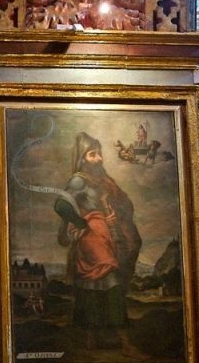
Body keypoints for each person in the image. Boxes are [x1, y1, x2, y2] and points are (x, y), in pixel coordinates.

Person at [54, 132, 143, 351]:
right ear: (83, 158)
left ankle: (108, 340)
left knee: (106, 286)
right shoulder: (78, 180)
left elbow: (120, 205)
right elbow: (61, 205)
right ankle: (104, 341)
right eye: (93, 154)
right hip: (91, 242)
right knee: (100, 285)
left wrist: (114, 217)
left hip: (106, 238)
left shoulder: (104, 181)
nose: (99, 158)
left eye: (99, 153)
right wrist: (83, 223)